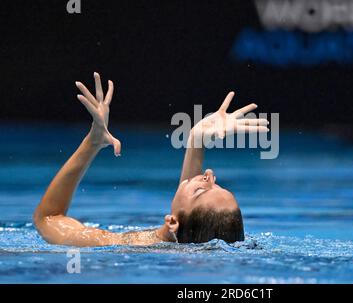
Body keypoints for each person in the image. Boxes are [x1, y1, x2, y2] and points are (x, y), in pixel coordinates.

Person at [33, 72, 269, 247]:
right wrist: (197, 139)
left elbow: (48, 218)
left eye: (203, 189)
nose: (208, 175)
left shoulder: (123, 245)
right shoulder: (190, 241)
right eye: (216, 183)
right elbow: (188, 213)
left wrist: (92, 142)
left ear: (172, 223)